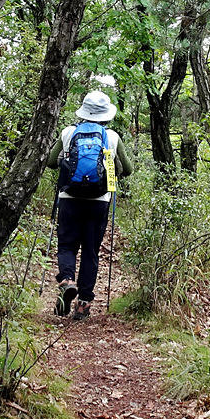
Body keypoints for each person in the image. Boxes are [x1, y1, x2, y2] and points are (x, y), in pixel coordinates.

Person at [46, 89, 133, 321]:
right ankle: (83, 304)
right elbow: (128, 169)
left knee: (67, 246)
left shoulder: (68, 132)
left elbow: (51, 162)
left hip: (69, 199)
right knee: (90, 252)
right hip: (99, 202)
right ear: (106, 114)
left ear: (83, 111)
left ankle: (67, 281)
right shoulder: (112, 137)